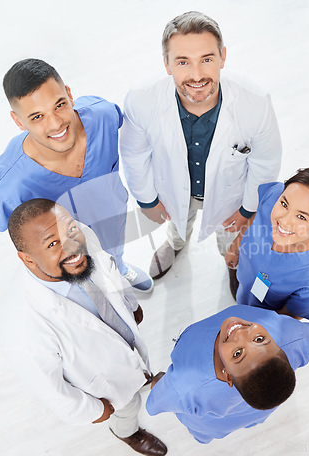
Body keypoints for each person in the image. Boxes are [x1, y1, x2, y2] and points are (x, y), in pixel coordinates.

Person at [120, 11, 282, 293]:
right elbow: (134, 155)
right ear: (167, 64)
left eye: (207, 59)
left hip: (231, 194)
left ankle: (233, 262)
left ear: (223, 57)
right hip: (172, 188)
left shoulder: (255, 102)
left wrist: (248, 208)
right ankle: (175, 244)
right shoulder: (141, 100)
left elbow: (266, 161)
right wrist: (147, 200)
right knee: (179, 224)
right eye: (183, 62)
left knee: (230, 235)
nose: (196, 76)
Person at [0, 199, 167, 456]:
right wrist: (96, 410)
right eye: (52, 243)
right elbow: (53, 392)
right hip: (108, 387)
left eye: (70, 229)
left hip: (123, 342)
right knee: (129, 406)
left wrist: (130, 305)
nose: (72, 244)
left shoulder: (82, 235)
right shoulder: (25, 331)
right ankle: (126, 431)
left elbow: (110, 270)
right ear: (28, 260)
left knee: (138, 366)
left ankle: (142, 377)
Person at [0, 58, 153, 292]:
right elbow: (4, 223)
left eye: (59, 105)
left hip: (112, 217)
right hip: (69, 250)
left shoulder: (103, 116)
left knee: (113, 250)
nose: (56, 124)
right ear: (18, 121)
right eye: (37, 117)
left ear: (70, 94)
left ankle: (119, 269)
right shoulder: (9, 184)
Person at [146, 304, 309, 444]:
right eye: (259, 339)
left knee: (203, 432)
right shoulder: (293, 336)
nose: (241, 333)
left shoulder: (187, 387)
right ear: (280, 348)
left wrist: (160, 381)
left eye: (238, 354)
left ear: (228, 376)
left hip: (212, 424)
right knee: (247, 419)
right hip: (253, 413)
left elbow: (154, 404)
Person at [226, 168, 309, 328]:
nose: (285, 221)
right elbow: (257, 215)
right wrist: (235, 246)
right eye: (284, 204)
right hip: (243, 278)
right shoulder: (275, 195)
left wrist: (252, 330)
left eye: (301, 216)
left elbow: (286, 319)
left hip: (260, 316)